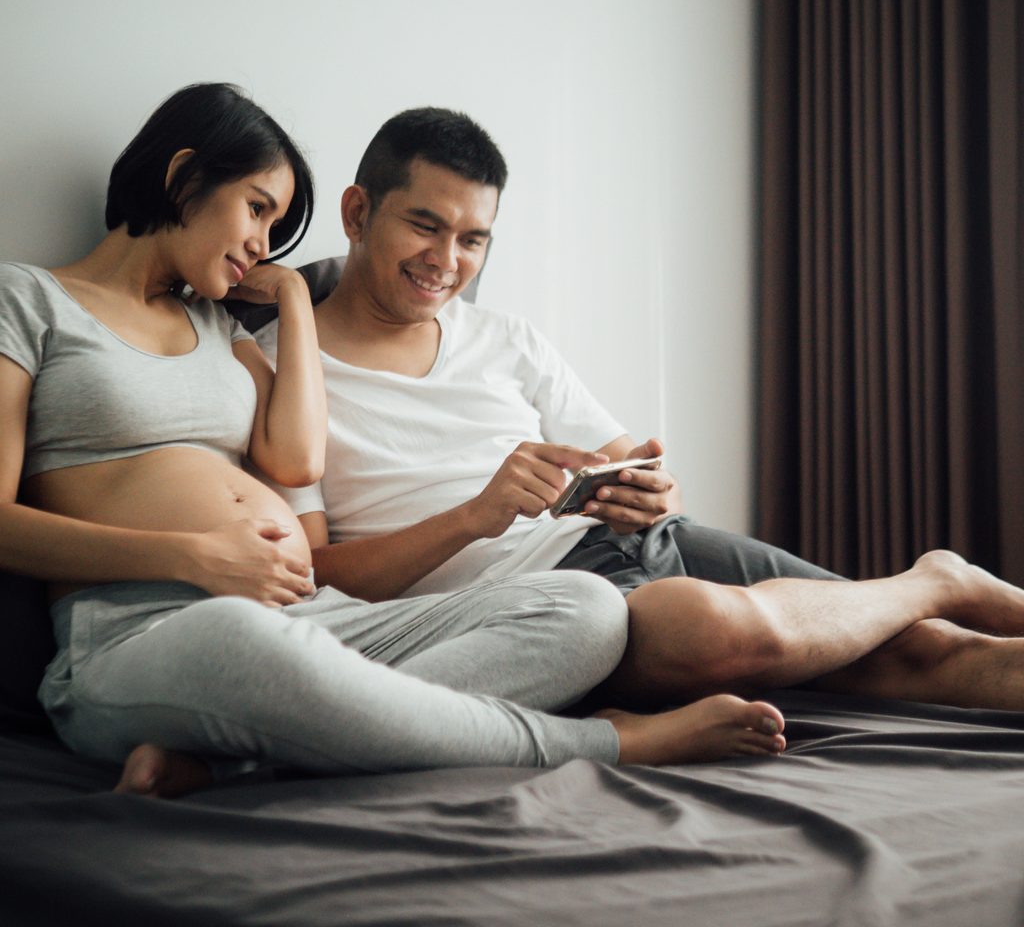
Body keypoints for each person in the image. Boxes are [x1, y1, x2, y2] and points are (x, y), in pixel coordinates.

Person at [0, 84, 789, 799]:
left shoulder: (215, 322)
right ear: (183, 175)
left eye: (278, 226)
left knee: (586, 608)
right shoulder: (29, 301)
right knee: (245, 644)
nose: (264, 244)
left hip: (307, 618)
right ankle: (614, 742)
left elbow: (296, 459)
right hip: (142, 630)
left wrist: (296, 304)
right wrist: (190, 559)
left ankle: (251, 765)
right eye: (258, 209)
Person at [257, 106, 1024, 715]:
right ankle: (936, 577)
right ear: (358, 213)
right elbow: (316, 578)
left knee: (916, 652)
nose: (446, 261)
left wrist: (651, 491)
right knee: (720, 629)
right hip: (549, 604)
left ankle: (938, 593)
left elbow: (645, 475)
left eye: (473, 240)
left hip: (654, 549)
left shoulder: (505, 339)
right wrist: (475, 514)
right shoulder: (271, 368)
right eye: (425, 225)